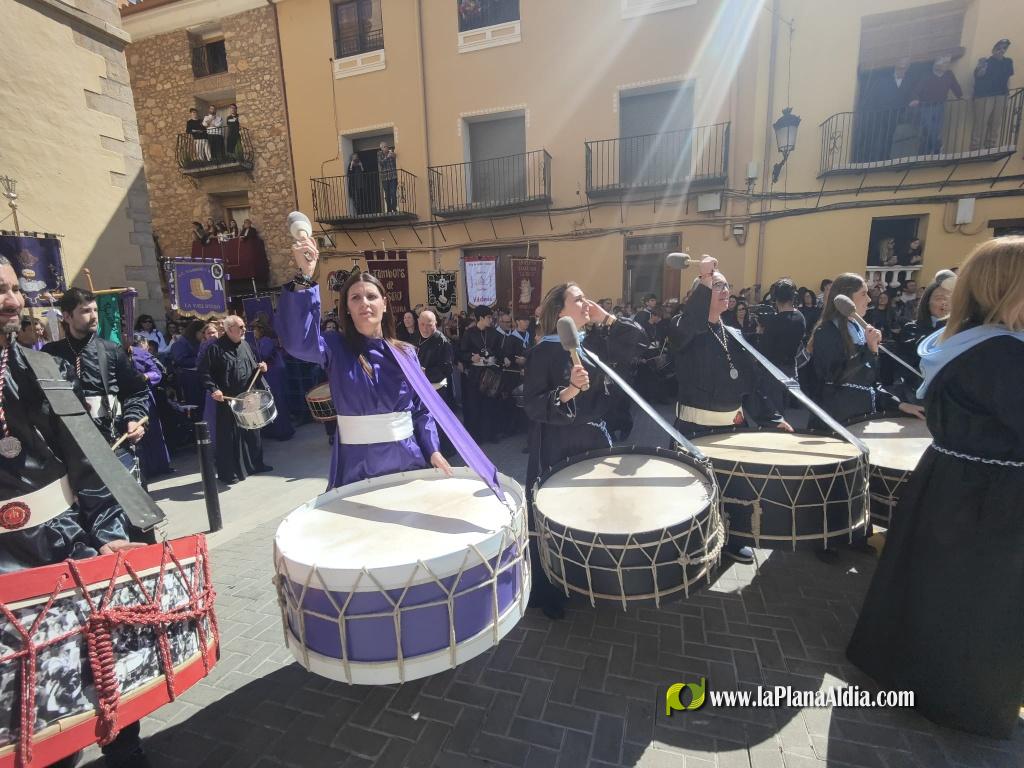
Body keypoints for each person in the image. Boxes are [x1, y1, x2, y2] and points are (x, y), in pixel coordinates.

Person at [847, 236, 1024, 739]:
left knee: (926, 583)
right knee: (971, 600)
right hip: (989, 496)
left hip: (953, 481)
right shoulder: (1002, 356)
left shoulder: (965, 343)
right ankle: (958, 695)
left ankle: (903, 669)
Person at [0, 256, 151, 767]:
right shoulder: (52, 354)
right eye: (1, 290)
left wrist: (110, 528)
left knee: (101, 662)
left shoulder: (42, 366)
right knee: (23, 702)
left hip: (64, 533)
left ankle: (124, 750)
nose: (14, 300)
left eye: (15, 288)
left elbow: (84, 453)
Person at [277, 236, 451, 490]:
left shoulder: (406, 353)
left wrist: (432, 449)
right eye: (355, 298)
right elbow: (297, 343)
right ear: (346, 308)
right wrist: (305, 276)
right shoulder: (335, 347)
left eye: (371, 296)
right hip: (357, 466)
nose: (364, 303)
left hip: (408, 459)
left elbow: (422, 409)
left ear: (384, 303)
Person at [522, 282, 647, 618]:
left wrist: (606, 318)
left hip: (593, 441)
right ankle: (547, 588)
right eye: (578, 299)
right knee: (553, 518)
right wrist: (568, 392)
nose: (585, 302)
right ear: (559, 312)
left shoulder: (592, 345)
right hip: (557, 446)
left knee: (592, 514)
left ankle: (589, 578)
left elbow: (636, 341)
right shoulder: (542, 352)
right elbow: (532, 406)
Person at [669, 256, 792, 564]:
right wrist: (704, 280)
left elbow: (751, 386)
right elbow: (686, 330)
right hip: (694, 431)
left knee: (736, 489)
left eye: (726, 285)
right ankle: (692, 543)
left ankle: (733, 540)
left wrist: (773, 418)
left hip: (732, 427)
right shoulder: (684, 329)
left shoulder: (734, 335)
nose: (725, 291)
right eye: (716, 286)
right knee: (696, 492)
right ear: (699, 294)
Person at [808, 273, 924, 424]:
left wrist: (899, 404)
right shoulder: (826, 331)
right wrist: (868, 350)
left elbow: (871, 383)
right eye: (864, 294)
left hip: (862, 415)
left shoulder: (859, 330)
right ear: (846, 299)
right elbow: (836, 376)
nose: (869, 299)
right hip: (837, 418)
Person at [42, 289, 149, 449]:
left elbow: (136, 391)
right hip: (68, 446)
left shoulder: (111, 350)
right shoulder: (50, 353)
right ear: (67, 316)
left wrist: (134, 419)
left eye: (95, 310)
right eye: (85, 311)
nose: (94, 316)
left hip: (113, 441)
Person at [199, 315, 271, 484]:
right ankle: (230, 473)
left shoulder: (245, 344)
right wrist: (214, 389)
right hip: (227, 398)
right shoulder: (214, 348)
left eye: (244, 326)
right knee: (229, 436)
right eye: (241, 327)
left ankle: (256, 464)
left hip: (247, 396)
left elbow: (253, 366)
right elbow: (204, 372)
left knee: (252, 432)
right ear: (229, 329)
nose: (245, 329)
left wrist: (261, 368)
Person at [893, 276, 952, 403]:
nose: (945, 302)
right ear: (927, 302)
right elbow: (923, 352)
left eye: (950, 298)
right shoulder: (911, 328)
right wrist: (944, 324)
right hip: (919, 393)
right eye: (940, 298)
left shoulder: (963, 332)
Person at [756, 279, 806, 413]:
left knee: (773, 414)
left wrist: (760, 332)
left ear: (776, 299)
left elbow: (764, 349)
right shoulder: (800, 317)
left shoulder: (773, 321)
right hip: (791, 369)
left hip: (773, 372)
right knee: (783, 409)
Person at [130, 335, 172, 480]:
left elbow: (156, 373)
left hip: (146, 397)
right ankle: (143, 469)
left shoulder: (141, 354)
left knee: (154, 431)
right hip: (126, 399)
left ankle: (161, 465)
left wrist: (145, 376)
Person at [458, 305, 502, 443]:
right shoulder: (469, 333)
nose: (491, 319)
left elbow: (499, 350)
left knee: (490, 404)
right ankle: (475, 437)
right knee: (475, 405)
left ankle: (490, 434)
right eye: (489, 317)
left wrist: (500, 358)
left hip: (491, 372)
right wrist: (471, 358)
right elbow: (461, 352)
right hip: (475, 374)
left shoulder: (494, 333)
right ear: (481, 318)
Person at [417, 310, 455, 455]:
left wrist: (426, 373)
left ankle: (442, 453)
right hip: (421, 389)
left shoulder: (442, 341)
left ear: (436, 324)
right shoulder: (417, 337)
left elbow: (447, 368)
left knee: (439, 423)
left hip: (437, 389)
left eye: (429, 324)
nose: (425, 328)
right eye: (422, 324)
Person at [251, 319, 294, 441]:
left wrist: (252, 351)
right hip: (272, 373)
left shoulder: (266, 341)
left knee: (277, 402)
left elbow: (263, 355)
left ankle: (283, 431)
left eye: (255, 329)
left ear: (260, 330)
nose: (254, 332)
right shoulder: (264, 341)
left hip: (273, 374)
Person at [909, 56, 962, 155]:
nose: (945, 65)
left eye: (947, 63)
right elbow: (916, 90)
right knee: (928, 129)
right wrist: (915, 99)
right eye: (943, 62)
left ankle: (928, 152)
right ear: (936, 64)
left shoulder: (949, 75)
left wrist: (961, 96)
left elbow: (956, 88)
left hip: (940, 106)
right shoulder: (926, 75)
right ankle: (935, 149)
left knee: (936, 130)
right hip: (926, 107)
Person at [971, 39, 1014, 151]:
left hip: (1001, 95)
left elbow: (1008, 79)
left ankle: (990, 145)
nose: (1001, 50)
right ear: (993, 50)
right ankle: (975, 147)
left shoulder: (1008, 62)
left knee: (996, 122)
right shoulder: (985, 61)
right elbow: (979, 75)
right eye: (999, 48)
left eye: (1004, 48)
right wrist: (983, 68)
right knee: (981, 122)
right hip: (984, 96)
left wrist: (1007, 94)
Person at [377, 141, 398, 214]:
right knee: (387, 194)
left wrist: (394, 155)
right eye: (385, 147)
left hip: (393, 176)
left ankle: (394, 208)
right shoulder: (379, 154)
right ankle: (389, 210)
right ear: (381, 148)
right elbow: (381, 163)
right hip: (385, 178)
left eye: (387, 146)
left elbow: (396, 160)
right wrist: (387, 157)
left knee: (393, 193)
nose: (387, 148)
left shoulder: (391, 153)